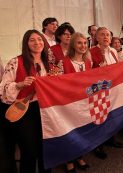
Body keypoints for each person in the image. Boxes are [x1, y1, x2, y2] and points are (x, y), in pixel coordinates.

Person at [0, 30, 52, 173]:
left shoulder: (49, 63)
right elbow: (3, 90)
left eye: (40, 39)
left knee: (45, 147)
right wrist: (19, 85)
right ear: (26, 43)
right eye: (32, 40)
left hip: (46, 109)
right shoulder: (16, 61)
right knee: (29, 150)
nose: (37, 43)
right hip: (25, 110)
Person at [90, 27, 123, 159]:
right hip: (99, 89)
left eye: (108, 35)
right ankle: (98, 145)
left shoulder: (113, 51)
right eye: (102, 35)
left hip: (112, 88)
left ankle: (111, 139)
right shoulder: (91, 51)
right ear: (97, 37)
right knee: (100, 116)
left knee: (111, 115)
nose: (106, 37)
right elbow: (88, 71)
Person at [62, 32, 91, 172]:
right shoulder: (64, 61)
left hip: (84, 102)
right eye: (79, 43)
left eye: (85, 43)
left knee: (82, 131)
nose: (83, 46)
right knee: (70, 131)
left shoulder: (88, 62)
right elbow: (58, 83)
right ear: (73, 44)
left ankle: (79, 156)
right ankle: (69, 161)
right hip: (69, 103)